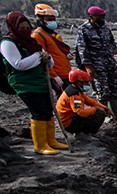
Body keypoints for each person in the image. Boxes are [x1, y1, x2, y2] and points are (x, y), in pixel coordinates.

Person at [1, 11, 68, 155]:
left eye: (27, 28)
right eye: (22, 28)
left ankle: (51, 140)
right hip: (24, 83)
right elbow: (18, 64)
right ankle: (40, 145)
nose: (25, 31)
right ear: (14, 27)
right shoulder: (8, 42)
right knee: (39, 112)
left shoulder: (32, 42)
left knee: (48, 110)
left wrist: (46, 58)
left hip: (40, 81)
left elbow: (50, 62)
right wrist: (38, 56)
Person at [76, 6, 117, 118]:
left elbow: (112, 44)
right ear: (92, 16)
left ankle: (116, 112)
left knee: (113, 88)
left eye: (103, 16)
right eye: (100, 17)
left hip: (109, 63)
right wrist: (88, 67)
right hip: (97, 65)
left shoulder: (105, 29)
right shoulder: (84, 29)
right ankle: (104, 115)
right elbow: (82, 49)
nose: (102, 19)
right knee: (102, 90)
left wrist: (114, 62)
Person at [56, 68, 113, 135]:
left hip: (69, 119)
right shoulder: (74, 95)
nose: (88, 85)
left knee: (98, 110)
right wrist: (95, 108)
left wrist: (105, 108)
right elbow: (80, 112)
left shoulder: (75, 89)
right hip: (68, 123)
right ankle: (84, 134)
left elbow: (89, 101)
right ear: (78, 82)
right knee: (100, 113)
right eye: (86, 82)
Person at [31, 3, 71, 94]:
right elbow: (44, 58)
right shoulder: (38, 35)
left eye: (53, 19)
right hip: (58, 74)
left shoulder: (52, 34)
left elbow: (57, 51)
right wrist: (54, 76)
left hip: (66, 73)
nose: (52, 21)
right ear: (41, 19)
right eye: (49, 19)